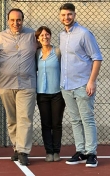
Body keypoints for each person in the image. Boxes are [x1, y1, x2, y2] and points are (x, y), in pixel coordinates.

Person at [59, 3, 103, 168]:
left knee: (87, 119)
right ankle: (81, 151)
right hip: (66, 86)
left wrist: (91, 81)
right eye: (63, 15)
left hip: (83, 84)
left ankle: (92, 153)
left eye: (69, 14)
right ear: (60, 16)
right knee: (75, 120)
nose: (66, 17)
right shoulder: (61, 35)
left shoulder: (84, 34)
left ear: (74, 15)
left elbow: (97, 58)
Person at [0, 8, 37, 166]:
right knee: (12, 119)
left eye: (19, 20)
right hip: (6, 84)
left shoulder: (32, 36)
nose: (15, 23)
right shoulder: (0, 37)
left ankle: (24, 151)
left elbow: (45, 49)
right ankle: (16, 147)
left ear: (23, 20)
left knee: (25, 118)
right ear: (8, 21)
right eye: (12, 20)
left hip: (27, 84)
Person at [35, 26, 65, 162]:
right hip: (42, 94)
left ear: (50, 36)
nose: (44, 37)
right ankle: (49, 151)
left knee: (56, 123)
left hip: (57, 93)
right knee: (45, 124)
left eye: (47, 34)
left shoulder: (58, 52)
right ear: (38, 38)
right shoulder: (36, 54)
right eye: (41, 35)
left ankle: (56, 151)